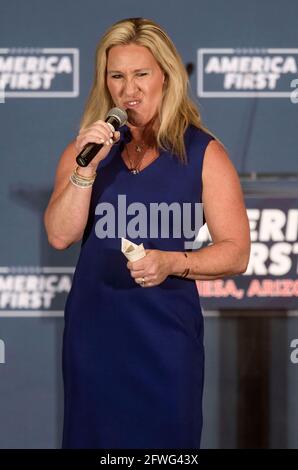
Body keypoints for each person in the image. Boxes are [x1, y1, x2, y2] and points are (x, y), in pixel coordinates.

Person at [44, 17, 250, 449]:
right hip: (94, 334)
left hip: (165, 338)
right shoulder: (87, 151)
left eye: (141, 74)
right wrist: (86, 171)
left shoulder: (203, 153)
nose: (128, 89)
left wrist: (173, 262)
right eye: (116, 75)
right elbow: (60, 235)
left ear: (166, 76)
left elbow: (236, 253)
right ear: (105, 82)